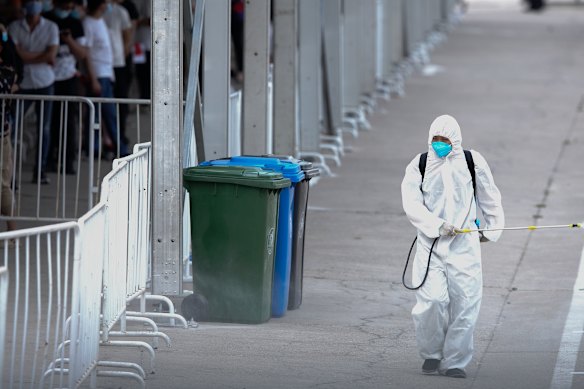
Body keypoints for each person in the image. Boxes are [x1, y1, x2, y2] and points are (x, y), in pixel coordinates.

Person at [401, 114, 505, 379]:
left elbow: (490, 196)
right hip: (431, 244)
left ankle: (456, 361)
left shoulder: (472, 162)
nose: (439, 144)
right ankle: (432, 355)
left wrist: (490, 230)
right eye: (435, 139)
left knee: (465, 303)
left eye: (444, 140)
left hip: (464, 244)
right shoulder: (420, 164)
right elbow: (412, 204)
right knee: (431, 301)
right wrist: (436, 225)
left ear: (455, 140)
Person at [8, 0, 59, 184]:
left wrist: (25, 56)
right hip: (23, 84)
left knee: (44, 129)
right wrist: (40, 56)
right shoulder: (14, 27)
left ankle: (41, 171)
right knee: (12, 128)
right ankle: (10, 174)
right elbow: (15, 55)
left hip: (45, 82)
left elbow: (51, 55)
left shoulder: (51, 27)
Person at [43, 0, 87, 175]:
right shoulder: (46, 20)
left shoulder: (75, 24)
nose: (67, 9)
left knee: (70, 122)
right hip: (49, 78)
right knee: (50, 122)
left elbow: (83, 53)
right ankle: (49, 160)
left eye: (70, 5)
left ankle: (68, 161)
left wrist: (68, 40)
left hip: (69, 78)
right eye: (64, 5)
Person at [83, 0, 128, 158]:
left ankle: (99, 147)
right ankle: (117, 148)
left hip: (106, 73)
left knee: (103, 113)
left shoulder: (99, 21)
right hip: (99, 74)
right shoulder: (88, 23)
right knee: (104, 114)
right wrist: (93, 78)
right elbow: (87, 53)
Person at [0, 24, 21, 232]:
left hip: (1, 135)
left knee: (3, 183)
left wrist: (5, 35)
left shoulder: (6, 72)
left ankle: (12, 233)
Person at [103, 0, 132, 145]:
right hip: (101, 66)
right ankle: (105, 137)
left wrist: (122, 53)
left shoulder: (120, 12)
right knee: (103, 103)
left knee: (121, 100)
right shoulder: (94, 11)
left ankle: (120, 134)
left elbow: (127, 35)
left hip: (118, 62)